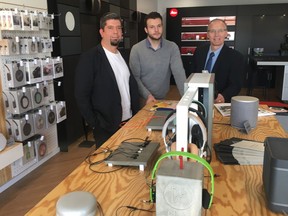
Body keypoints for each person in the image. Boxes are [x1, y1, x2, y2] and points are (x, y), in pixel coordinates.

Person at [74, 12, 140, 147]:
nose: (115, 32)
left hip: (129, 121)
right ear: (101, 32)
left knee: (129, 162)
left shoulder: (124, 55)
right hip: (106, 127)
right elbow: (81, 95)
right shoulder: (90, 58)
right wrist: (95, 124)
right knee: (108, 165)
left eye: (119, 28)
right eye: (110, 28)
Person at [129, 11, 186, 106]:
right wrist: (148, 96)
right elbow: (135, 78)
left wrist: (187, 99)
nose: (156, 30)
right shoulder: (136, 49)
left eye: (159, 26)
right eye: (152, 27)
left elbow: (179, 74)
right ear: (146, 30)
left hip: (162, 99)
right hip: (142, 99)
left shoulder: (172, 47)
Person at [191, 18, 245, 103]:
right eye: (212, 31)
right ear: (208, 34)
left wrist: (224, 96)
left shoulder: (236, 57)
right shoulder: (199, 51)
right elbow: (192, 74)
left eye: (220, 31)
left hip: (219, 102)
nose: (216, 35)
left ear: (226, 33)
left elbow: (236, 84)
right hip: (197, 100)